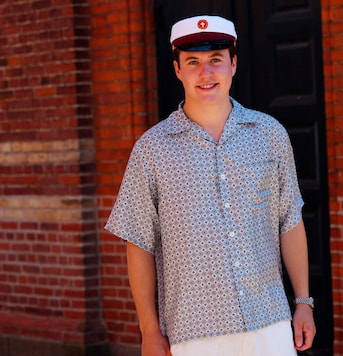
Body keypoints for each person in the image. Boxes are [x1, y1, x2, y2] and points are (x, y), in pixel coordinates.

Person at [105, 14, 316, 356]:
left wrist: (304, 302)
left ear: (233, 64)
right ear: (177, 70)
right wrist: (149, 330)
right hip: (194, 333)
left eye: (216, 60)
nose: (206, 73)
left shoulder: (270, 134)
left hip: (271, 323)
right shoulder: (151, 149)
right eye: (193, 62)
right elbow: (139, 243)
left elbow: (289, 222)